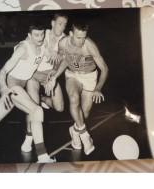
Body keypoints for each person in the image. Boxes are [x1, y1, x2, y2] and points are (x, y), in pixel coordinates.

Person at [0, 23, 55, 163]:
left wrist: (51, 57)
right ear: (29, 35)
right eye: (36, 35)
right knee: (36, 110)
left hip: (21, 85)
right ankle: (42, 156)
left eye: (42, 34)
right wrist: (4, 87)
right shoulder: (23, 48)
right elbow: (2, 71)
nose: (40, 37)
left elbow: (47, 51)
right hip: (11, 85)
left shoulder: (43, 42)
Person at [45, 21, 109, 155]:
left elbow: (104, 69)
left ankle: (75, 130)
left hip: (90, 77)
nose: (81, 40)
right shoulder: (63, 43)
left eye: (84, 37)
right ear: (71, 34)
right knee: (74, 99)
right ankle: (85, 137)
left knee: (83, 115)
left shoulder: (89, 45)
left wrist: (98, 88)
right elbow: (64, 60)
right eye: (78, 37)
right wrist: (55, 75)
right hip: (72, 75)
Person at [21, 13, 68, 153]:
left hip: (49, 75)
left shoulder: (64, 39)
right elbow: (27, 45)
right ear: (52, 23)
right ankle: (28, 137)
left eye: (65, 24)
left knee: (59, 107)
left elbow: (65, 61)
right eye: (60, 23)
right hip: (34, 75)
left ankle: (43, 99)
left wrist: (53, 76)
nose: (62, 27)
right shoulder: (42, 34)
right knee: (32, 107)